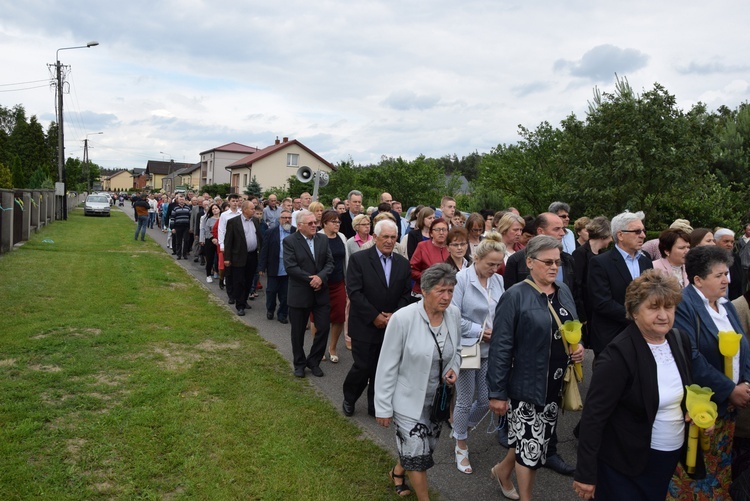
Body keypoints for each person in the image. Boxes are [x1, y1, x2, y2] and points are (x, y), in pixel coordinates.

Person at [574, 270, 693, 500]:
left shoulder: (678, 340)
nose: (663, 315)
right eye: (653, 307)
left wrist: (695, 411)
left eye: (668, 307)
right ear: (634, 311)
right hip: (626, 463)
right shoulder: (618, 355)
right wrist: (586, 473)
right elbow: (593, 417)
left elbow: (684, 388)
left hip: (668, 457)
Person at [488, 235, 584, 500]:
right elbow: (500, 347)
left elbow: (572, 326)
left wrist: (577, 347)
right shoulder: (515, 296)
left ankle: (501, 471)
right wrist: (497, 392)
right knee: (531, 450)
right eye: (548, 262)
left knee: (531, 439)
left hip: (556, 385)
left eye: (558, 262)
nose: (554, 267)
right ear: (529, 262)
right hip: (527, 386)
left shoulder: (562, 290)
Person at [668, 245, 750, 499]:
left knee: (719, 473)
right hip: (701, 409)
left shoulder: (725, 306)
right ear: (698, 280)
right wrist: (729, 389)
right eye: (719, 275)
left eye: (726, 273)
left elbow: (743, 346)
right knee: (694, 477)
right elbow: (690, 356)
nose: (727, 279)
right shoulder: (684, 305)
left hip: (728, 410)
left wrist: (745, 383)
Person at [375, 263, 461, 501]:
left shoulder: (453, 314)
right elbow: (387, 365)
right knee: (417, 454)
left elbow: (458, 349)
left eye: (450, 291)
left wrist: (454, 367)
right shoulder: (403, 319)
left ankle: (397, 472)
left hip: (437, 400)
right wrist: (383, 406)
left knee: (424, 449)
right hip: (407, 401)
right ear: (424, 290)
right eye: (440, 291)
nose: (446, 297)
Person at [343, 219, 412, 418]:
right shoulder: (359, 260)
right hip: (365, 324)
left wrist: (395, 315)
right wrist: (375, 316)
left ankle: (376, 403)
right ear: (375, 238)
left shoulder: (402, 263)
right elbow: (354, 292)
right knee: (363, 366)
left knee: (384, 368)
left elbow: (406, 293)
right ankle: (349, 397)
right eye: (385, 237)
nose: (389, 241)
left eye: (393, 237)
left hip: (392, 325)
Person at [450, 233, 506, 474]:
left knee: (485, 400)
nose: (494, 269)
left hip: (490, 349)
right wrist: (480, 331)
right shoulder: (461, 279)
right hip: (467, 347)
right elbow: (452, 314)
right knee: (464, 399)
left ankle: (460, 428)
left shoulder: (498, 281)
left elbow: (501, 310)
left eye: (498, 264)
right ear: (477, 258)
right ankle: (460, 444)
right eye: (490, 264)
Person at [587, 211, 653, 355]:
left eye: (643, 231)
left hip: (642, 336)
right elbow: (602, 302)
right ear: (620, 235)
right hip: (612, 337)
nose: (643, 235)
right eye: (637, 231)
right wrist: (637, 317)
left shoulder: (646, 261)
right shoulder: (600, 262)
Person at [283, 210, 334, 378]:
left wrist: (321, 278)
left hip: (321, 293)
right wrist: (312, 280)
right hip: (300, 293)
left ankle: (314, 361)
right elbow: (291, 267)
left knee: (324, 328)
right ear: (300, 226)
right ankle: (299, 363)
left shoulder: (322, 239)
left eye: (315, 222)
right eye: (310, 223)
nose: (315, 225)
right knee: (297, 332)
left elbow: (329, 263)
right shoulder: (290, 241)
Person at [571, 216, 612, 346]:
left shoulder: (603, 254)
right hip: (586, 311)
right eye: (610, 236)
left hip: (598, 310)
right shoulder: (580, 254)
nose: (611, 239)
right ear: (603, 235)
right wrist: (582, 315)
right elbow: (576, 285)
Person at [223, 201, 262, 317]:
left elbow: (258, 237)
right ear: (244, 210)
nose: (254, 211)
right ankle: (239, 305)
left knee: (249, 280)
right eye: (252, 209)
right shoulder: (233, 222)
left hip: (252, 255)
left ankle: (244, 300)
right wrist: (227, 258)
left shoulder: (255, 221)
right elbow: (228, 241)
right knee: (239, 281)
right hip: (238, 256)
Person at [319, 210, 348, 363]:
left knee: (338, 316)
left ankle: (332, 347)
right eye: (334, 222)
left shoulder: (342, 237)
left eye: (338, 222)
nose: (337, 224)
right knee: (318, 318)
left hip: (338, 282)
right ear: (325, 223)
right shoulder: (318, 237)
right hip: (321, 284)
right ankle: (320, 348)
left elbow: (346, 260)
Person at [258, 210, 293, 324]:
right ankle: (270, 309)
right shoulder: (271, 232)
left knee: (285, 294)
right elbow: (264, 250)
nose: (287, 220)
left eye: (289, 218)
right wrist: (262, 267)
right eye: (284, 218)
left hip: (288, 269)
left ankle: (282, 314)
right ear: (279, 219)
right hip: (274, 266)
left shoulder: (294, 231)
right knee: (271, 291)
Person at [410, 218, 450, 296]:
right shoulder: (422, 246)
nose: (441, 233)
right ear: (431, 233)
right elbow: (412, 270)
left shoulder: (451, 248)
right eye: (438, 229)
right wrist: (429, 278)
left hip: (446, 292)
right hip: (424, 292)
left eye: (444, 230)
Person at [218, 194, 242, 303]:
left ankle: (238, 294)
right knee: (229, 271)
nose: (235, 203)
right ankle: (230, 294)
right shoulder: (224, 215)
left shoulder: (241, 213)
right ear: (229, 202)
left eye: (237, 201)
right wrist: (222, 245)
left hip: (239, 246)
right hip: (228, 245)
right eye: (233, 201)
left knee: (239, 271)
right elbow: (221, 230)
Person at [716, 228, 746, 300]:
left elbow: (740, 283)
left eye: (732, 242)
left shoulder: (736, 259)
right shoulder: (709, 260)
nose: (729, 244)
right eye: (726, 241)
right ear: (715, 242)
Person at [199, 203, 222, 283]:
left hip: (221, 241)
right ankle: (208, 275)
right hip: (210, 241)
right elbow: (207, 230)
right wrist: (213, 238)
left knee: (221, 259)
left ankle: (222, 276)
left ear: (219, 209)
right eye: (213, 209)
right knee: (210, 259)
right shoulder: (209, 219)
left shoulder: (223, 219)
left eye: (216, 208)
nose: (215, 210)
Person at [169, 194, 192, 260]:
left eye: (183, 200)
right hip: (178, 226)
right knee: (178, 241)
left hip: (186, 226)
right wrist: (172, 228)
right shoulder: (175, 208)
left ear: (185, 200)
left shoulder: (188, 208)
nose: (182, 201)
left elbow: (190, 218)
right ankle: (178, 254)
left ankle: (184, 254)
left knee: (186, 240)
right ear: (178, 200)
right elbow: (172, 218)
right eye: (180, 200)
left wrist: (190, 227)